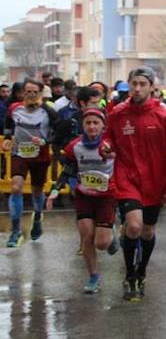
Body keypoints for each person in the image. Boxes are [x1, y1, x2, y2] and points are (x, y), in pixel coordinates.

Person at [107, 66, 166, 302]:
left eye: (142, 84)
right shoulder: (117, 113)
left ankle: (142, 271)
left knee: (147, 231)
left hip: (155, 182)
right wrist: (106, 146)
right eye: (134, 83)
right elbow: (108, 137)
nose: (137, 88)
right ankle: (130, 274)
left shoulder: (164, 116)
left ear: (152, 87)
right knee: (133, 226)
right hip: (127, 178)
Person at [48, 107, 116, 293]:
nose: (92, 126)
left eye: (96, 123)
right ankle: (93, 277)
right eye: (88, 123)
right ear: (82, 125)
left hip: (107, 197)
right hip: (84, 196)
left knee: (101, 243)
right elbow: (69, 168)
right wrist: (56, 189)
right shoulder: (75, 146)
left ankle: (111, 235)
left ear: (103, 126)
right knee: (87, 237)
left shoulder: (111, 145)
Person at [3, 78, 59, 247]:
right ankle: (16, 231)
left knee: (36, 191)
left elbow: (58, 133)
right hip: (19, 153)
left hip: (40, 156)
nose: (32, 95)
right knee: (16, 187)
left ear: (40, 93)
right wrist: (7, 138)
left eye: (35, 92)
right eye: (29, 92)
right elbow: (8, 124)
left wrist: (44, 142)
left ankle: (37, 216)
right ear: (23, 93)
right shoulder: (14, 108)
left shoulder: (48, 112)